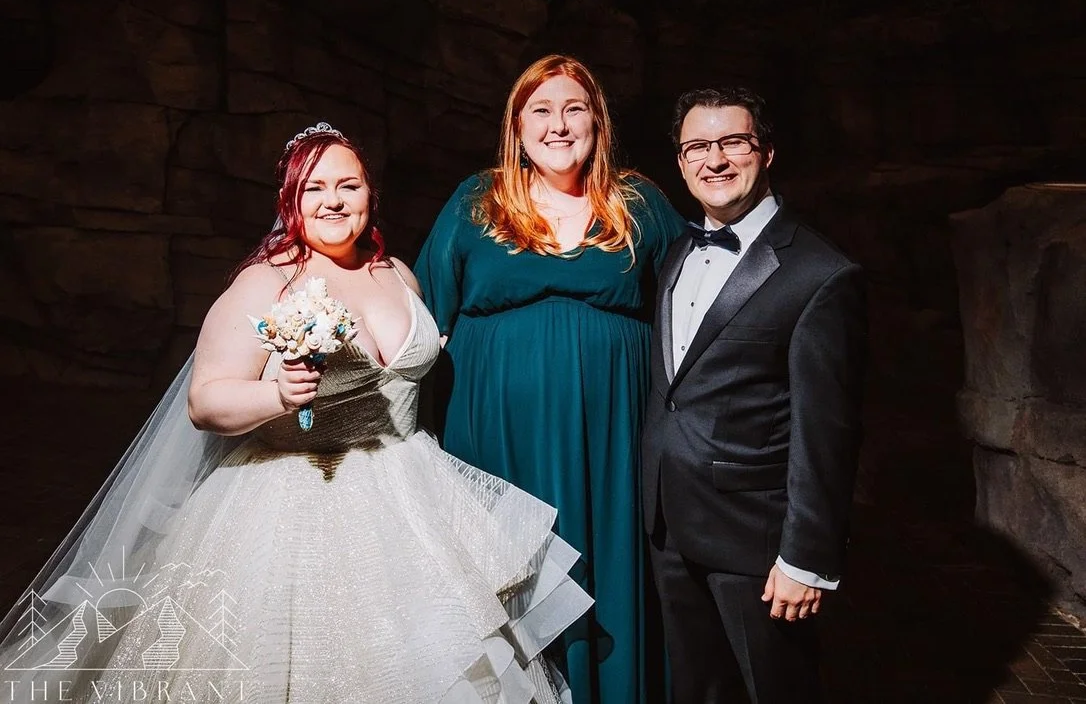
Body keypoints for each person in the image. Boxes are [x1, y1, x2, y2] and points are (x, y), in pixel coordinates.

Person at [0, 123, 592, 703]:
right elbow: (205, 400)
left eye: (349, 185)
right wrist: (277, 396)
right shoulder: (269, 281)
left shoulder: (396, 274)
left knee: (438, 656)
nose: (333, 200)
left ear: (370, 195)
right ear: (291, 200)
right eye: (315, 188)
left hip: (409, 488)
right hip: (294, 498)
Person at [414, 55, 684, 704]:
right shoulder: (478, 201)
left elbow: (694, 308)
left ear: (598, 122)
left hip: (613, 444)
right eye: (540, 110)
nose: (558, 125)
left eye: (573, 109)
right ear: (517, 126)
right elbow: (420, 316)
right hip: (495, 442)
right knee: (507, 589)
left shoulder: (640, 204)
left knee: (607, 581)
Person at [642, 87, 867, 704]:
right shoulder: (679, 250)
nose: (714, 160)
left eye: (732, 143)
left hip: (756, 547)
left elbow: (828, 433)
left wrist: (806, 559)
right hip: (669, 529)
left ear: (766, 151)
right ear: (681, 161)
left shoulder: (821, 274)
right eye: (696, 146)